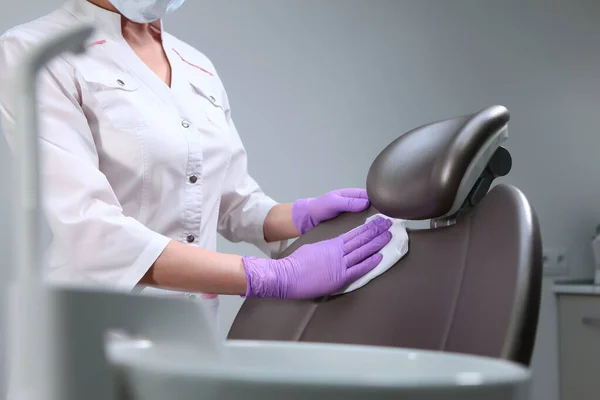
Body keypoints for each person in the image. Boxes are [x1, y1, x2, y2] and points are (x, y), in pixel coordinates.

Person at [0, 0, 392, 315]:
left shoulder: (196, 65)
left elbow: (232, 203)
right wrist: (271, 275)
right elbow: (89, 227)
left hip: (192, 327)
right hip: (95, 323)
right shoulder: (34, 51)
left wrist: (300, 216)